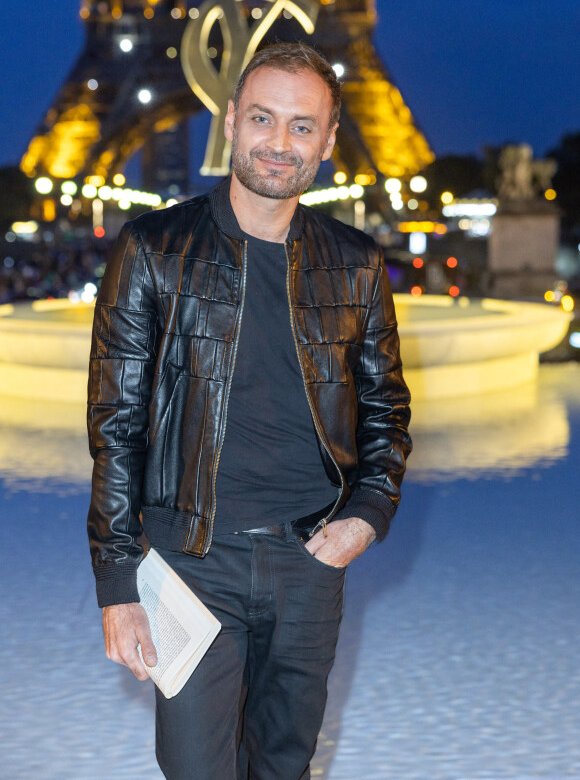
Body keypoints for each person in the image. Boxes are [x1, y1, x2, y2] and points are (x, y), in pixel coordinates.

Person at [87, 41, 412, 780]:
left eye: (303, 126)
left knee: (284, 765)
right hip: (192, 561)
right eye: (263, 118)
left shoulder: (357, 264)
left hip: (309, 561)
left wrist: (364, 518)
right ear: (231, 120)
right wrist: (117, 586)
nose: (279, 142)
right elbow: (116, 425)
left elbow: (387, 411)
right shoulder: (152, 250)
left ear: (329, 142)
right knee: (196, 767)